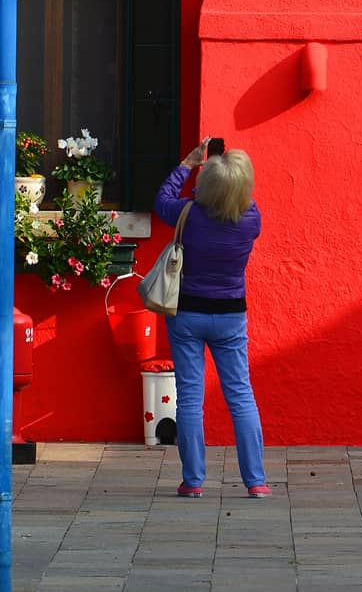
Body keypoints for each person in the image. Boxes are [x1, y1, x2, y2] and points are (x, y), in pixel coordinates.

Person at [154, 137, 271, 499]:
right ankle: (256, 481)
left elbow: (162, 200)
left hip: (187, 313)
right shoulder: (252, 219)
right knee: (241, 395)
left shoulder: (188, 215)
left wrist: (189, 164)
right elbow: (228, 199)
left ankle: (193, 481)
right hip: (230, 316)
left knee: (190, 397)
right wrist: (225, 172)